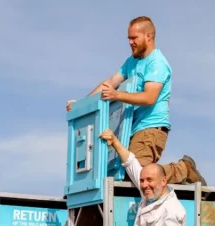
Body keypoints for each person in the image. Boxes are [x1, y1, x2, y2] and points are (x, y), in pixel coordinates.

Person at [67, 16, 206, 187]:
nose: (130, 42)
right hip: (132, 128)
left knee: (140, 174)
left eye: (134, 38)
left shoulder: (157, 63)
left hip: (151, 128)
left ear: (148, 36)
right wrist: (81, 104)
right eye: (129, 38)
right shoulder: (132, 62)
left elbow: (149, 97)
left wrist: (116, 96)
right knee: (127, 174)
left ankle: (183, 169)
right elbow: (110, 83)